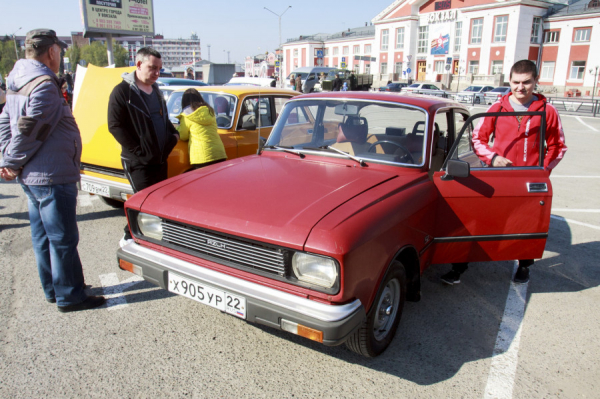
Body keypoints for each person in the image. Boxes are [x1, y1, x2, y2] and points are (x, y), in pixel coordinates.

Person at [0, 29, 105, 312]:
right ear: (52, 52)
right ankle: (70, 295)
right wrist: (10, 161)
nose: (61, 55)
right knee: (62, 239)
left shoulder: (16, 80)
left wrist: (7, 158)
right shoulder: (44, 84)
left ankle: (54, 289)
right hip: (50, 175)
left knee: (43, 237)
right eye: (60, 51)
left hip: (34, 176)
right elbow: (33, 131)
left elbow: (5, 123)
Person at [440, 59, 567, 286]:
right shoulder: (497, 108)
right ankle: (459, 267)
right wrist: (493, 158)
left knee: (528, 225)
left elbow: (558, 146)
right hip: (497, 178)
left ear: (535, 81)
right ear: (509, 80)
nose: (520, 87)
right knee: (480, 221)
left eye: (526, 82)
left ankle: (524, 266)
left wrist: (542, 171)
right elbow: (478, 138)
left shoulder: (547, 111)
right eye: (516, 82)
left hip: (528, 180)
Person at [107, 47, 180, 246]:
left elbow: (163, 119)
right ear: (139, 64)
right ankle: (129, 238)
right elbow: (115, 126)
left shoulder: (155, 90)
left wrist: (174, 136)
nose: (157, 73)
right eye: (153, 68)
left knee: (158, 203)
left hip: (160, 159)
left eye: (159, 69)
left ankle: (155, 241)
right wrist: (139, 151)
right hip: (138, 161)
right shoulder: (123, 92)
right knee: (144, 203)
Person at [176, 88, 227, 170]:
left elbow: (183, 136)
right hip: (219, 153)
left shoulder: (186, 116)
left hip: (201, 156)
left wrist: (178, 128)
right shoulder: (210, 111)